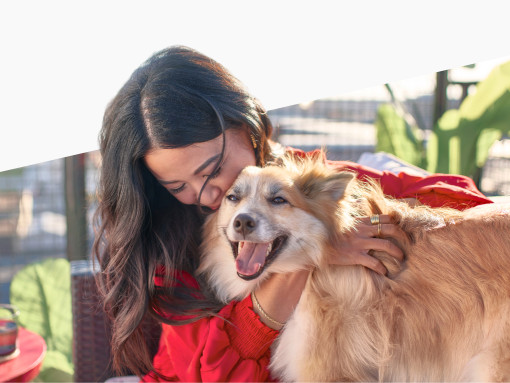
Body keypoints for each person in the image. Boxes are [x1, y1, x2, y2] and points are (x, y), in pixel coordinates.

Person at [93, 45, 493, 382]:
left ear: (251, 129)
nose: (207, 196)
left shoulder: (300, 179)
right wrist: (310, 253)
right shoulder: (165, 244)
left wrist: (338, 223)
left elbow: (465, 206)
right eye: (177, 186)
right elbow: (203, 373)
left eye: (212, 170)